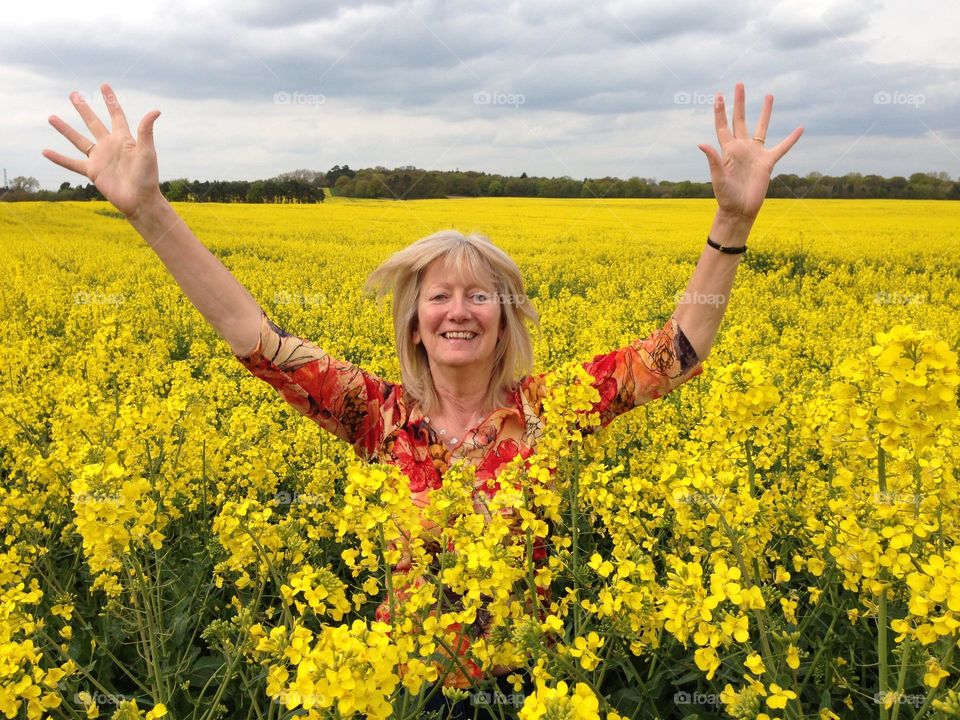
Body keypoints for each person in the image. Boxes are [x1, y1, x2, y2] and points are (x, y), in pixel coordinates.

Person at [43, 83, 802, 716]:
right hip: (404, 689)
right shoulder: (376, 416)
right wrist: (150, 213)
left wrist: (731, 222)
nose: (460, 309)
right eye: (440, 295)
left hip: (525, 692)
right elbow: (257, 340)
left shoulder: (552, 411)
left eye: (481, 294)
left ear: (505, 316)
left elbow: (677, 353)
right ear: (415, 319)